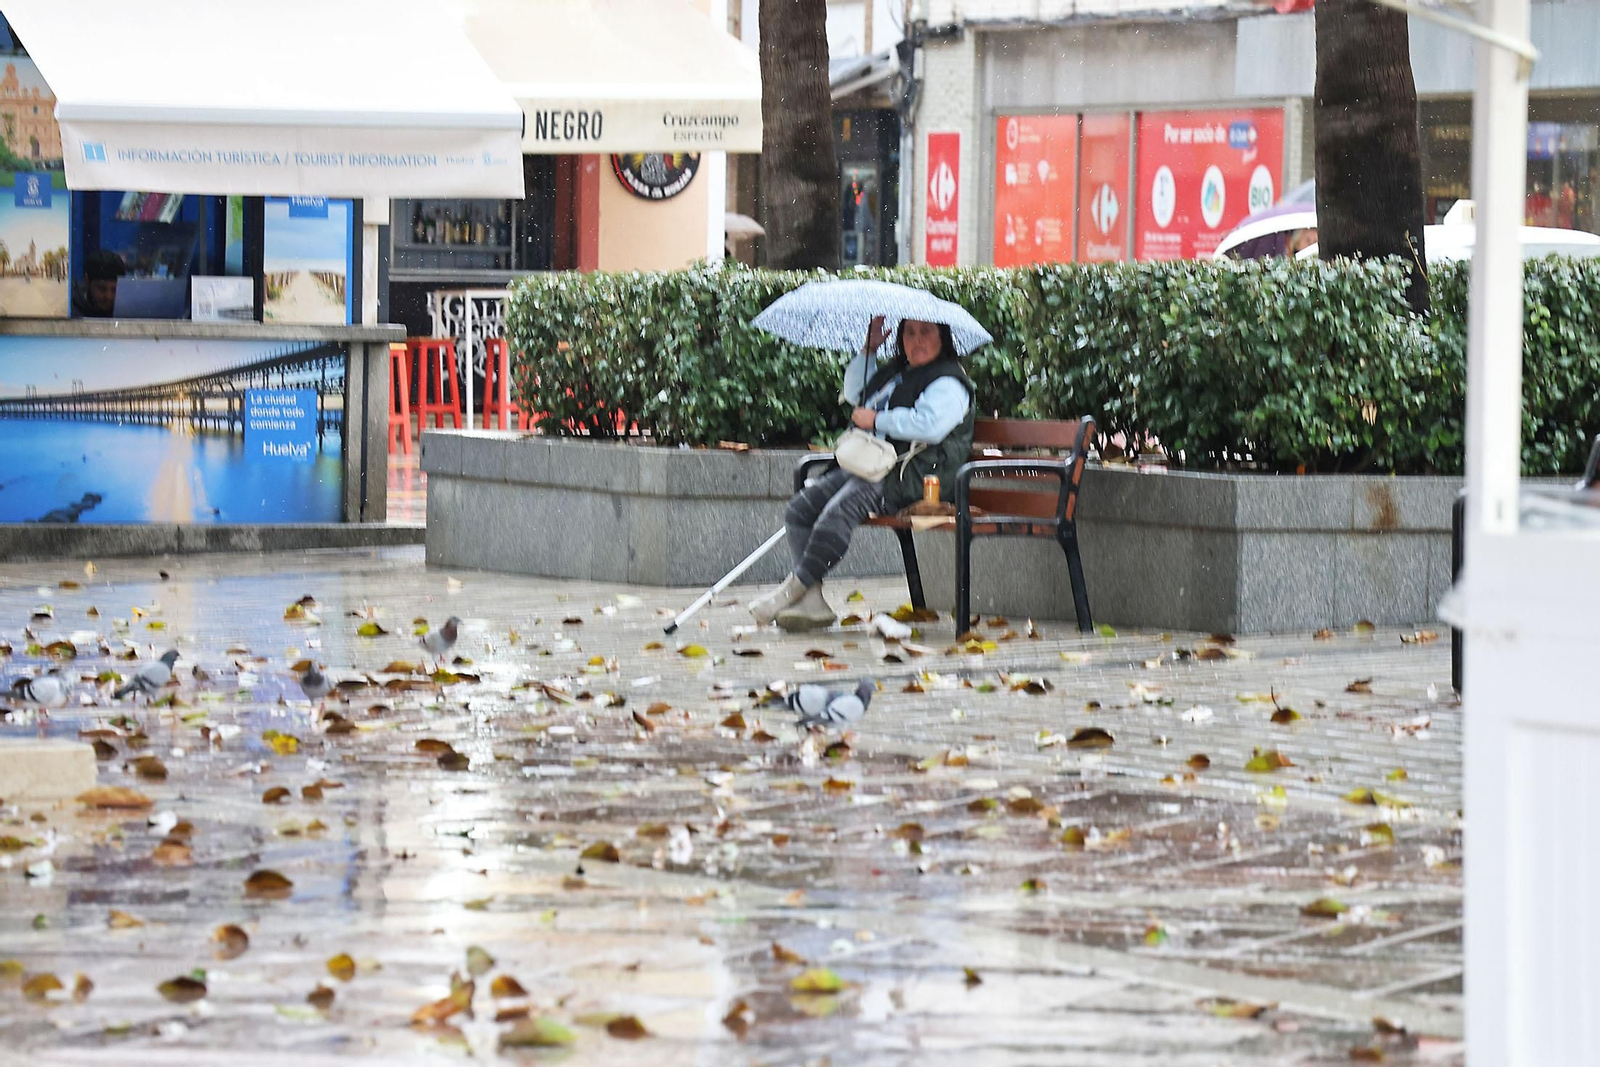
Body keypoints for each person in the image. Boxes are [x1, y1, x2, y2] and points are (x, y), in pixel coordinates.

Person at [748, 314, 975, 631]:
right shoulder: (898, 371)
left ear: (943, 338)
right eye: (910, 333)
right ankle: (811, 600)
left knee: (839, 511)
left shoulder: (950, 382)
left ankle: (791, 590)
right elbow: (857, 393)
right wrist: (868, 350)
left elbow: (930, 427)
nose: (917, 340)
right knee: (801, 508)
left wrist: (877, 420)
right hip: (874, 464)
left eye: (926, 332)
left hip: (916, 476)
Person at [73, 250, 127, 317]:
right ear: (87, 281)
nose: (108, 296)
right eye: (102, 289)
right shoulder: (73, 310)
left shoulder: (127, 310)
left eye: (114, 289)